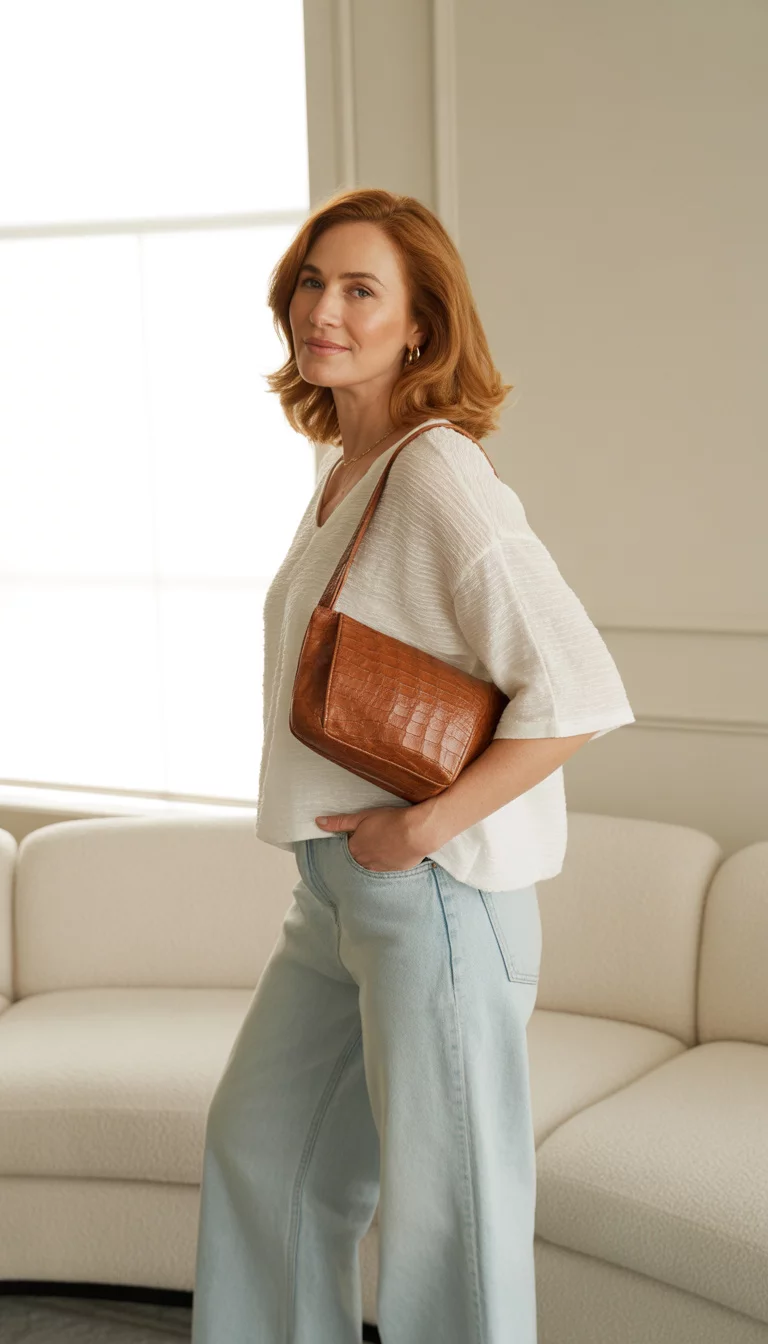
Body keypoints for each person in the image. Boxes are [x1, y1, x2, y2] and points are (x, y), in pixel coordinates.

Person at [190, 187, 635, 1344]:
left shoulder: (436, 470)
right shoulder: (349, 469)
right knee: (263, 1154)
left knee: (451, 1221)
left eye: (359, 289)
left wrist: (424, 829)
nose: (322, 310)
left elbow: (580, 686)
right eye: (311, 282)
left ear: (419, 325)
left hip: (431, 896)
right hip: (332, 897)